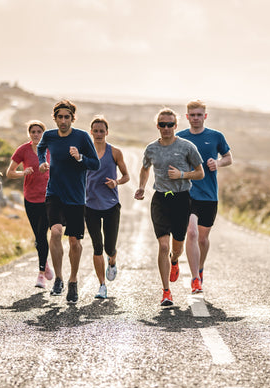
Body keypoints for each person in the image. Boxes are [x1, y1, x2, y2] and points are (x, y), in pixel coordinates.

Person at [134, 108, 204, 306]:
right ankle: (166, 292)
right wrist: (141, 187)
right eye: (162, 125)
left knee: (177, 247)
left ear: (176, 125)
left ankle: (175, 262)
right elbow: (145, 168)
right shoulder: (151, 148)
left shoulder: (187, 147)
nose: (166, 128)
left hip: (181, 199)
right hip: (161, 199)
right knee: (163, 245)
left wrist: (182, 175)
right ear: (158, 126)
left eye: (170, 124)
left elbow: (200, 173)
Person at [38, 100, 100, 303]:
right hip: (54, 192)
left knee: (74, 241)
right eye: (60, 117)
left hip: (75, 196)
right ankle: (58, 278)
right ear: (54, 118)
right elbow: (41, 149)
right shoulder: (49, 136)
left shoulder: (81, 137)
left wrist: (80, 157)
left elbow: (95, 164)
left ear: (73, 118)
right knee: (55, 232)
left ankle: (73, 281)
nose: (63, 121)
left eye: (67, 117)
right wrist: (42, 162)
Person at [177, 100, 232, 293]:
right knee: (191, 233)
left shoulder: (216, 136)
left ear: (205, 116)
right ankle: (194, 279)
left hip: (209, 194)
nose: (196, 118)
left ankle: (200, 269)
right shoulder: (179, 137)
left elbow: (228, 158)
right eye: (192, 115)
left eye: (199, 115)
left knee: (203, 238)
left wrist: (218, 163)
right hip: (187, 193)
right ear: (187, 117)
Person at [85, 116, 130, 299]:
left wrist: (116, 182)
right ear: (91, 132)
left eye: (101, 131)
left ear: (107, 132)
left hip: (111, 205)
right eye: (95, 130)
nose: (98, 134)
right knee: (97, 247)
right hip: (90, 205)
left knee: (109, 247)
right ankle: (102, 286)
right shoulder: (85, 153)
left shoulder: (115, 152)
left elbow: (126, 176)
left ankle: (112, 259)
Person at [6, 120, 55, 288]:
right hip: (31, 198)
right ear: (29, 134)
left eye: (39, 131)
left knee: (42, 234)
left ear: (43, 133)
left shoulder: (50, 149)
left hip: (49, 198)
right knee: (38, 237)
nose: (36, 134)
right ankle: (45, 263)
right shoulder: (23, 150)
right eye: (33, 131)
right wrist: (23, 172)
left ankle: (41, 274)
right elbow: (9, 173)